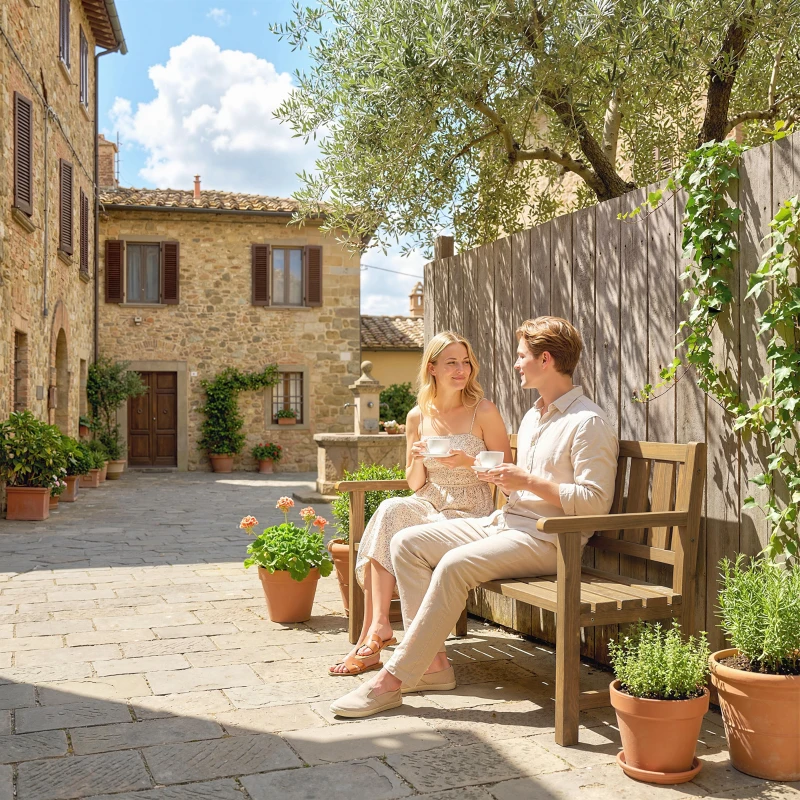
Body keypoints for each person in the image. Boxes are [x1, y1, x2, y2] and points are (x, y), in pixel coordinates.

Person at [330, 316, 619, 716]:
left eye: (522, 357)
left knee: (452, 565)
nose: (517, 364)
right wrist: (498, 476)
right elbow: (515, 486)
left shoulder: (587, 423)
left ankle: (390, 680)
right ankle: (432, 665)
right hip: (505, 524)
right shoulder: (535, 416)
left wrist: (525, 481)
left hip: (549, 539)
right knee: (406, 542)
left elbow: (594, 502)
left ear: (546, 359)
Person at [328, 331, 512, 677]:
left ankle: (375, 636)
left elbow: (504, 469)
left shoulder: (483, 411)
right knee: (390, 509)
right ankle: (381, 623)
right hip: (429, 502)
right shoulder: (417, 416)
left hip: (471, 510)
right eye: (452, 363)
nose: (462, 370)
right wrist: (414, 456)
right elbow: (415, 483)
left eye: (466, 362)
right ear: (432, 368)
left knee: (394, 524)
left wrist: (467, 463)